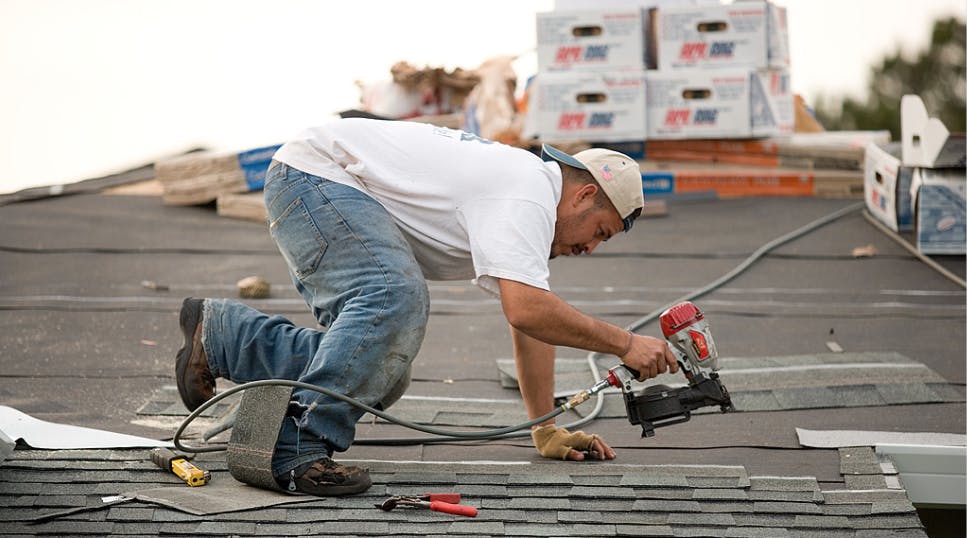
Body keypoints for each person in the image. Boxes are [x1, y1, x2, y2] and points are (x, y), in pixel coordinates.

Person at [175, 118, 678, 497]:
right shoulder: (529, 194)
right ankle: (296, 446)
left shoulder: (526, 196)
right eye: (599, 233)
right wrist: (627, 343)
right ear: (585, 194)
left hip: (313, 184)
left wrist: (544, 429)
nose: (589, 249)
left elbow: (531, 321)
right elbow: (529, 310)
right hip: (317, 177)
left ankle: (224, 336)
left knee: (382, 372)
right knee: (396, 297)